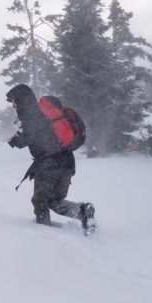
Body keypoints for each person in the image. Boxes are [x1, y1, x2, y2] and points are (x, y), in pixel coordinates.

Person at [6, 83, 95, 231]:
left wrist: (14, 140)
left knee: (40, 201)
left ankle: (44, 236)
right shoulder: (45, 114)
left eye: (14, 101)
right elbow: (42, 136)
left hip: (50, 166)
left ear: (21, 100)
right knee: (54, 200)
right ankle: (82, 211)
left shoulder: (31, 115)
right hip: (67, 162)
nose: (13, 105)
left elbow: (30, 138)